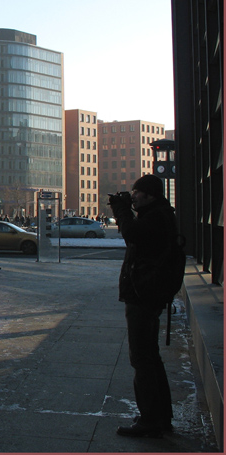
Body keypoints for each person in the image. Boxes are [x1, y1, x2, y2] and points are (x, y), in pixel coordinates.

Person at [109, 174, 177, 438]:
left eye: (137, 192)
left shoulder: (155, 217)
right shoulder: (158, 214)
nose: (133, 196)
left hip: (143, 296)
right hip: (147, 294)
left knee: (141, 358)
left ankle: (150, 419)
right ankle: (160, 415)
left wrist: (121, 209)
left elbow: (131, 234)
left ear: (150, 195)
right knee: (150, 357)